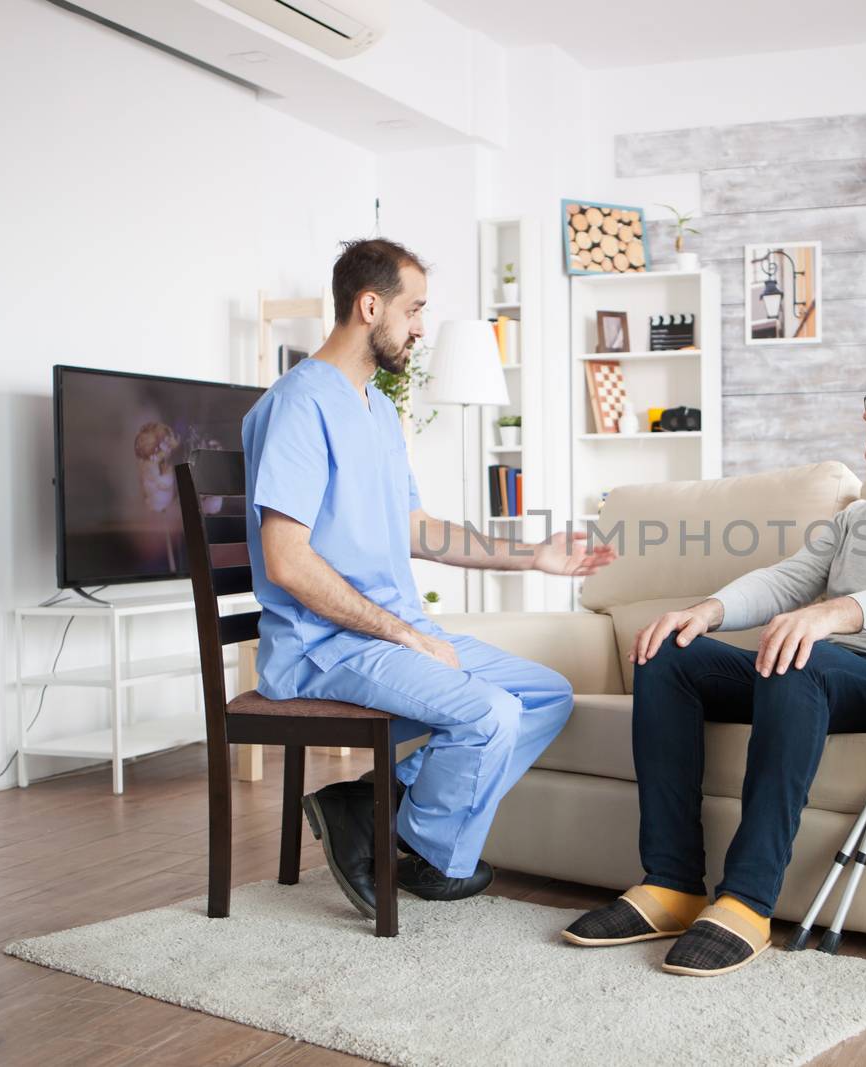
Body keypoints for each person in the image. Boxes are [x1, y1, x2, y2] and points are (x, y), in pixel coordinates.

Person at [562, 356, 866, 977]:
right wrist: (707, 611)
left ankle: (748, 901)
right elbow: (788, 579)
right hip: (818, 671)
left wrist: (832, 616)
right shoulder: (858, 517)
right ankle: (671, 884)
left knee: (800, 655)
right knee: (667, 652)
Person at [243, 238, 616, 918]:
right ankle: (413, 842)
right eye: (414, 310)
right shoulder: (298, 406)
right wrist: (402, 634)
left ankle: (373, 804)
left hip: (389, 633)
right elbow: (285, 559)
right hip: (323, 647)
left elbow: (417, 528)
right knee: (490, 711)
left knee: (545, 694)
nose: (420, 327)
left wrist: (532, 554)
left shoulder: (379, 410)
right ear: (369, 304)